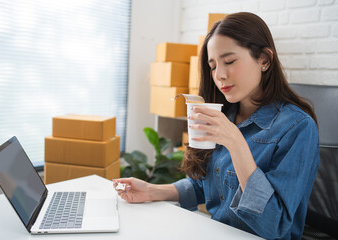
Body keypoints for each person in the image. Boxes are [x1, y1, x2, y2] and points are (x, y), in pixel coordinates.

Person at [113, 12, 320, 240]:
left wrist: (236, 143)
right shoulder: (226, 115)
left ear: (264, 60)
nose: (219, 75)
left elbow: (276, 226)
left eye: (229, 61)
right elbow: (207, 187)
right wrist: (152, 191)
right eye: (213, 66)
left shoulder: (298, 127)